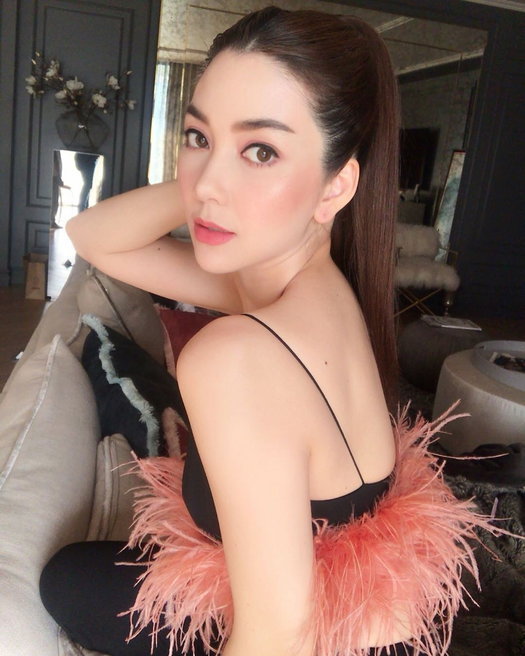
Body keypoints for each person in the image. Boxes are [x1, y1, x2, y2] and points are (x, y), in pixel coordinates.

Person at [39, 7, 491, 656]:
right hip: (330, 597)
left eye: (261, 150)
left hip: (317, 636)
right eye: (197, 135)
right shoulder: (303, 284)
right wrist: (211, 181)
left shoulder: (236, 357)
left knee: (69, 584)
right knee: (71, 577)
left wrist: (213, 174)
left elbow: (279, 637)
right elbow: (93, 237)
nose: (209, 182)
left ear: (335, 186)